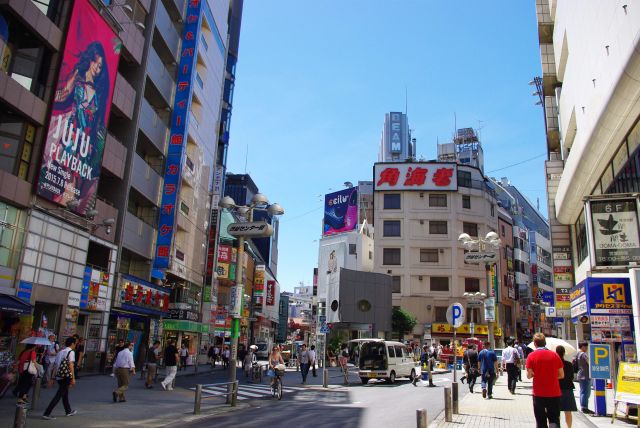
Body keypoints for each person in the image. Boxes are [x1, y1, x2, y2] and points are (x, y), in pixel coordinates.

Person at [526, 332, 564, 428]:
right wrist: (551, 376)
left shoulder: (531, 356)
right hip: (554, 392)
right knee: (554, 419)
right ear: (545, 343)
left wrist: (536, 374)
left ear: (535, 344)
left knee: (540, 420)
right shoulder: (555, 355)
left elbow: (529, 376)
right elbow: (561, 375)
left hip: (538, 393)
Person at [42, 337, 77, 420]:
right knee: (59, 395)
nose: (75, 345)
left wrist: (52, 378)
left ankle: (68, 411)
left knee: (64, 393)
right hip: (66, 376)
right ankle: (47, 413)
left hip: (59, 376)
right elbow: (71, 365)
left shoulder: (60, 352)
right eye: (75, 343)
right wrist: (73, 378)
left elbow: (55, 365)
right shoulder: (71, 352)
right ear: (72, 344)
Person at [556, 345, 577, 428]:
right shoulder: (569, 364)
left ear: (556, 353)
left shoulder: (554, 364)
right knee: (568, 411)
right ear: (564, 353)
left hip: (557, 389)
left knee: (556, 411)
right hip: (568, 388)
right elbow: (572, 377)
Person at [576, 341, 591, 413]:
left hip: (580, 374)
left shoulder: (577, 354)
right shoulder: (583, 354)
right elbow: (589, 362)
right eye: (586, 346)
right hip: (585, 375)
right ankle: (584, 407)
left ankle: (583, 406)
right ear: (582, 347)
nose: (587, 348)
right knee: (585, 392)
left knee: (582, 391)